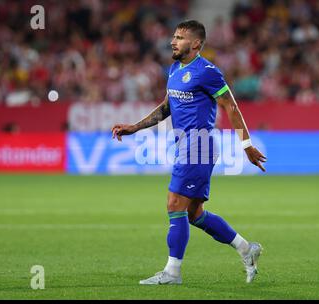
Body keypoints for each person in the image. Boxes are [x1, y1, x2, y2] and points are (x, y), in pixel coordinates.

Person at [112, 20, 267, 285]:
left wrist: (246, 144)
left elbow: (230, 107)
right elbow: (166, 107)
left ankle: (172, 273)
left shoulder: (207, 71)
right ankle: (246, 249)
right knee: (194, 213)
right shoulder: (174, 69)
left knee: (174, 204)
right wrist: (135, 127)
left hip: (199, 145)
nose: (173, 41)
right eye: (173, 36)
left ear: (195, 44)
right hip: (185, 145)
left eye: (180, 37)